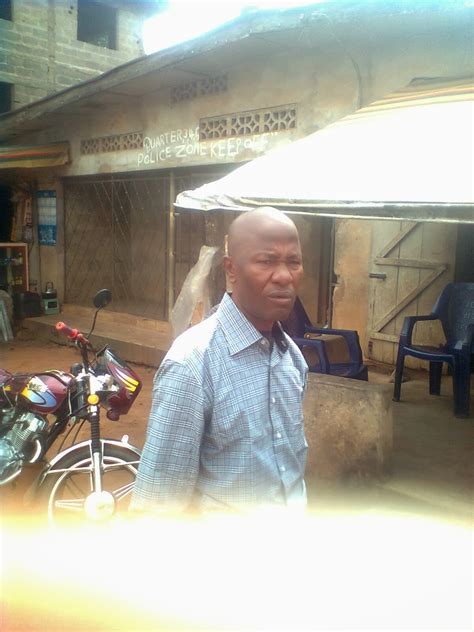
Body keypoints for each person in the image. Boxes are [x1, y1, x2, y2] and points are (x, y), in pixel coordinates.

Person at [131, 206, 308, 513]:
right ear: (231, 270)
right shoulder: (193, 364)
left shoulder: (290, 357)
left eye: (293, 262)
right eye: (266, 261)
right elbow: (157, 505)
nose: (284, 276)